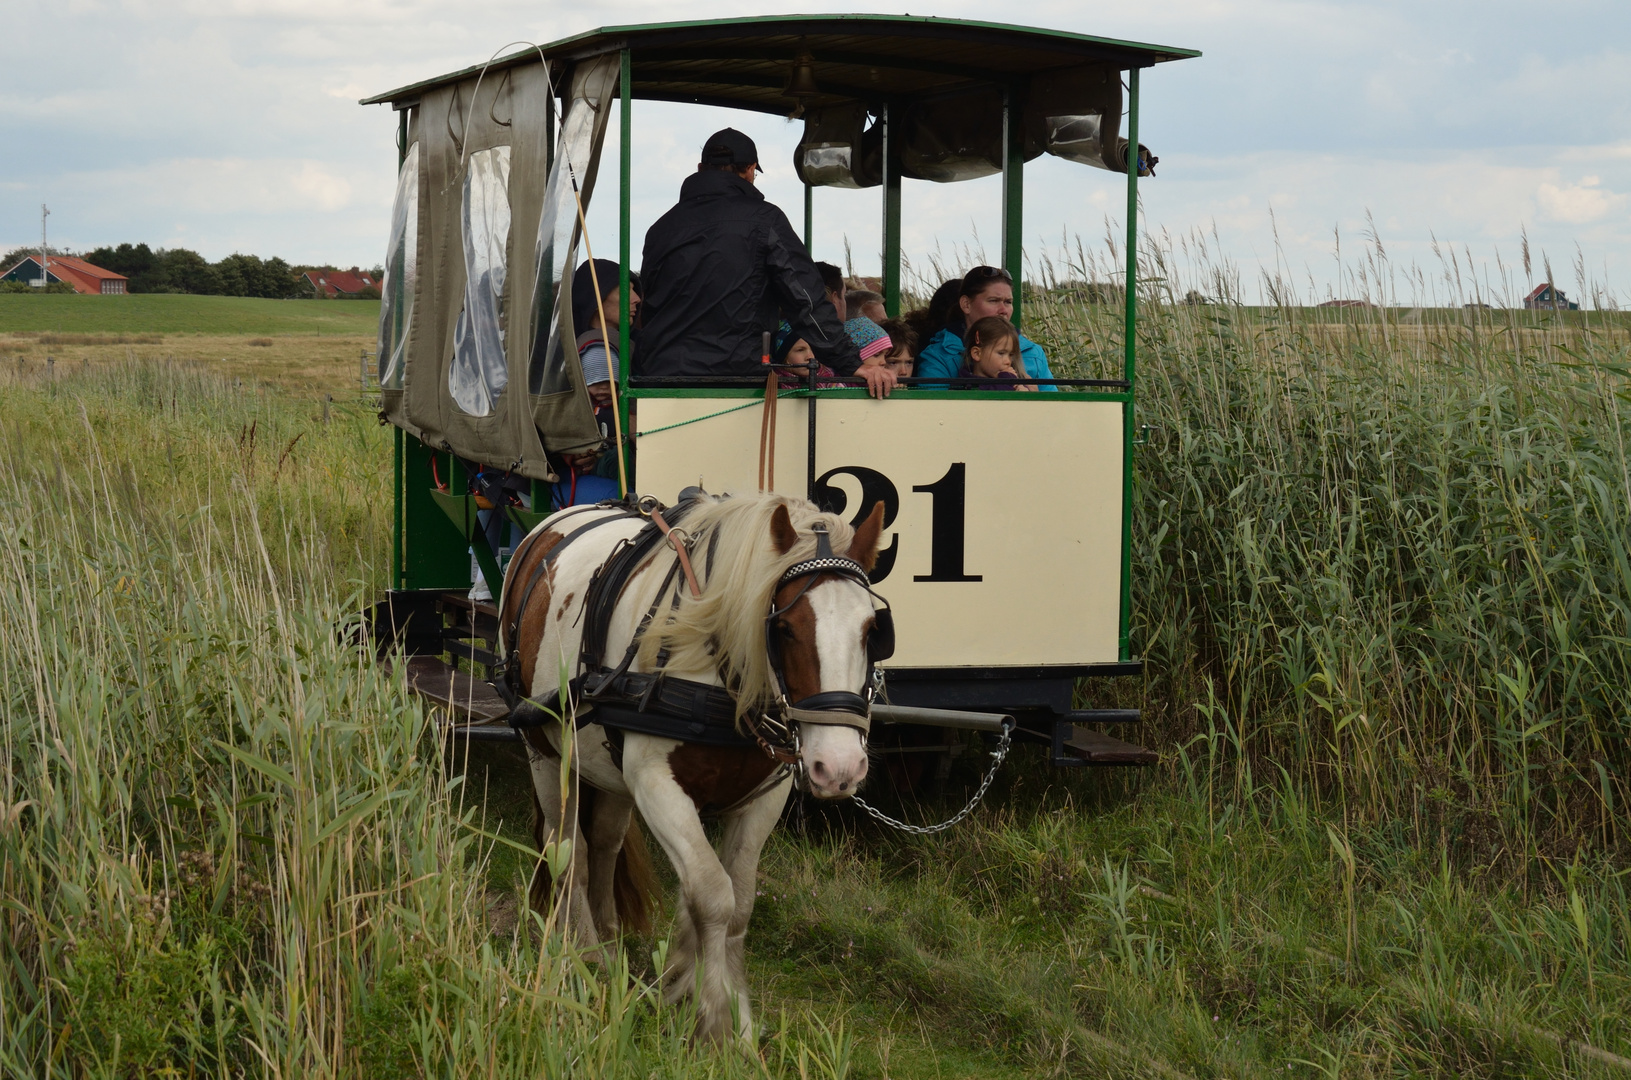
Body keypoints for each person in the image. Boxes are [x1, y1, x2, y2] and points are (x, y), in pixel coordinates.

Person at [635, 129, 894, 399]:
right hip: (733, 381)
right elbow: (805, 299)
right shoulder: (765, 219)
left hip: (660, 381)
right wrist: (852, 362)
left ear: (701, 168)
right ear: (750, 169)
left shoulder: (661, 228)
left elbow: (650, 306)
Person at [914, 266, 1058, 391]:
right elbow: (935, 414)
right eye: (993, 301)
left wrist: (1038, 401)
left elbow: (1055, 411)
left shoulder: (1033, 352)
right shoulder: (938, 356)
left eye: (1008, 302)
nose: (1003, 310)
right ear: (966, 304)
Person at [957, 316, 1032, 391]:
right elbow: (990, 397)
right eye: (1001, 353)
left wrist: (1023, 392)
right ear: (977, 353)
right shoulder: (965, 385)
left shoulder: (1011, 380)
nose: (1008, 361)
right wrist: (1005, 381)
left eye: (1011, 355)